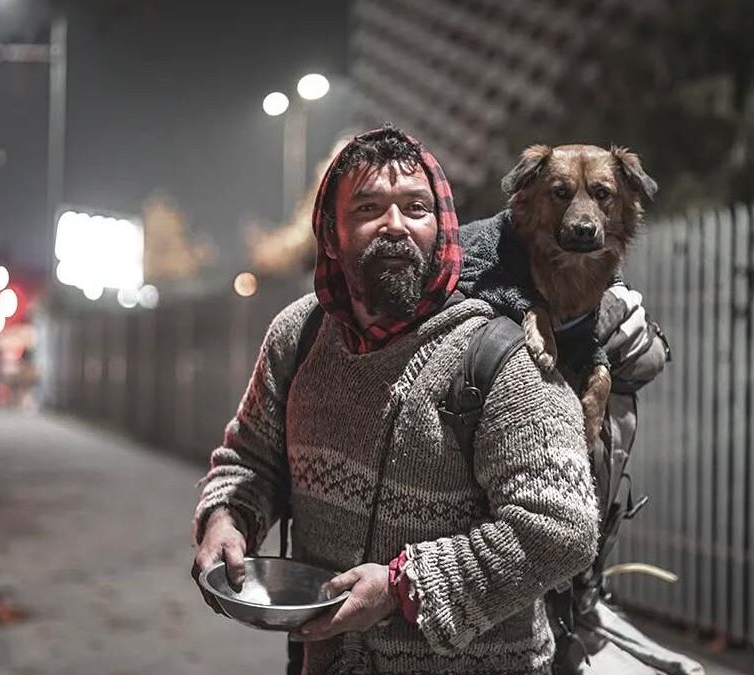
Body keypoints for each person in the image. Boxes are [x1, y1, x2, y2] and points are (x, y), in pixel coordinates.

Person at [191, 126, 601, 674]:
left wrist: (404, 586)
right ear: (331, 235)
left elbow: (563, 528)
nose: (396, 226)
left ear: (442, 228)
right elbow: (251, 458)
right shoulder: (300, 336)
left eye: (416, 207)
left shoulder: (496, 356)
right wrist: (226, 518)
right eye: (368, 208)